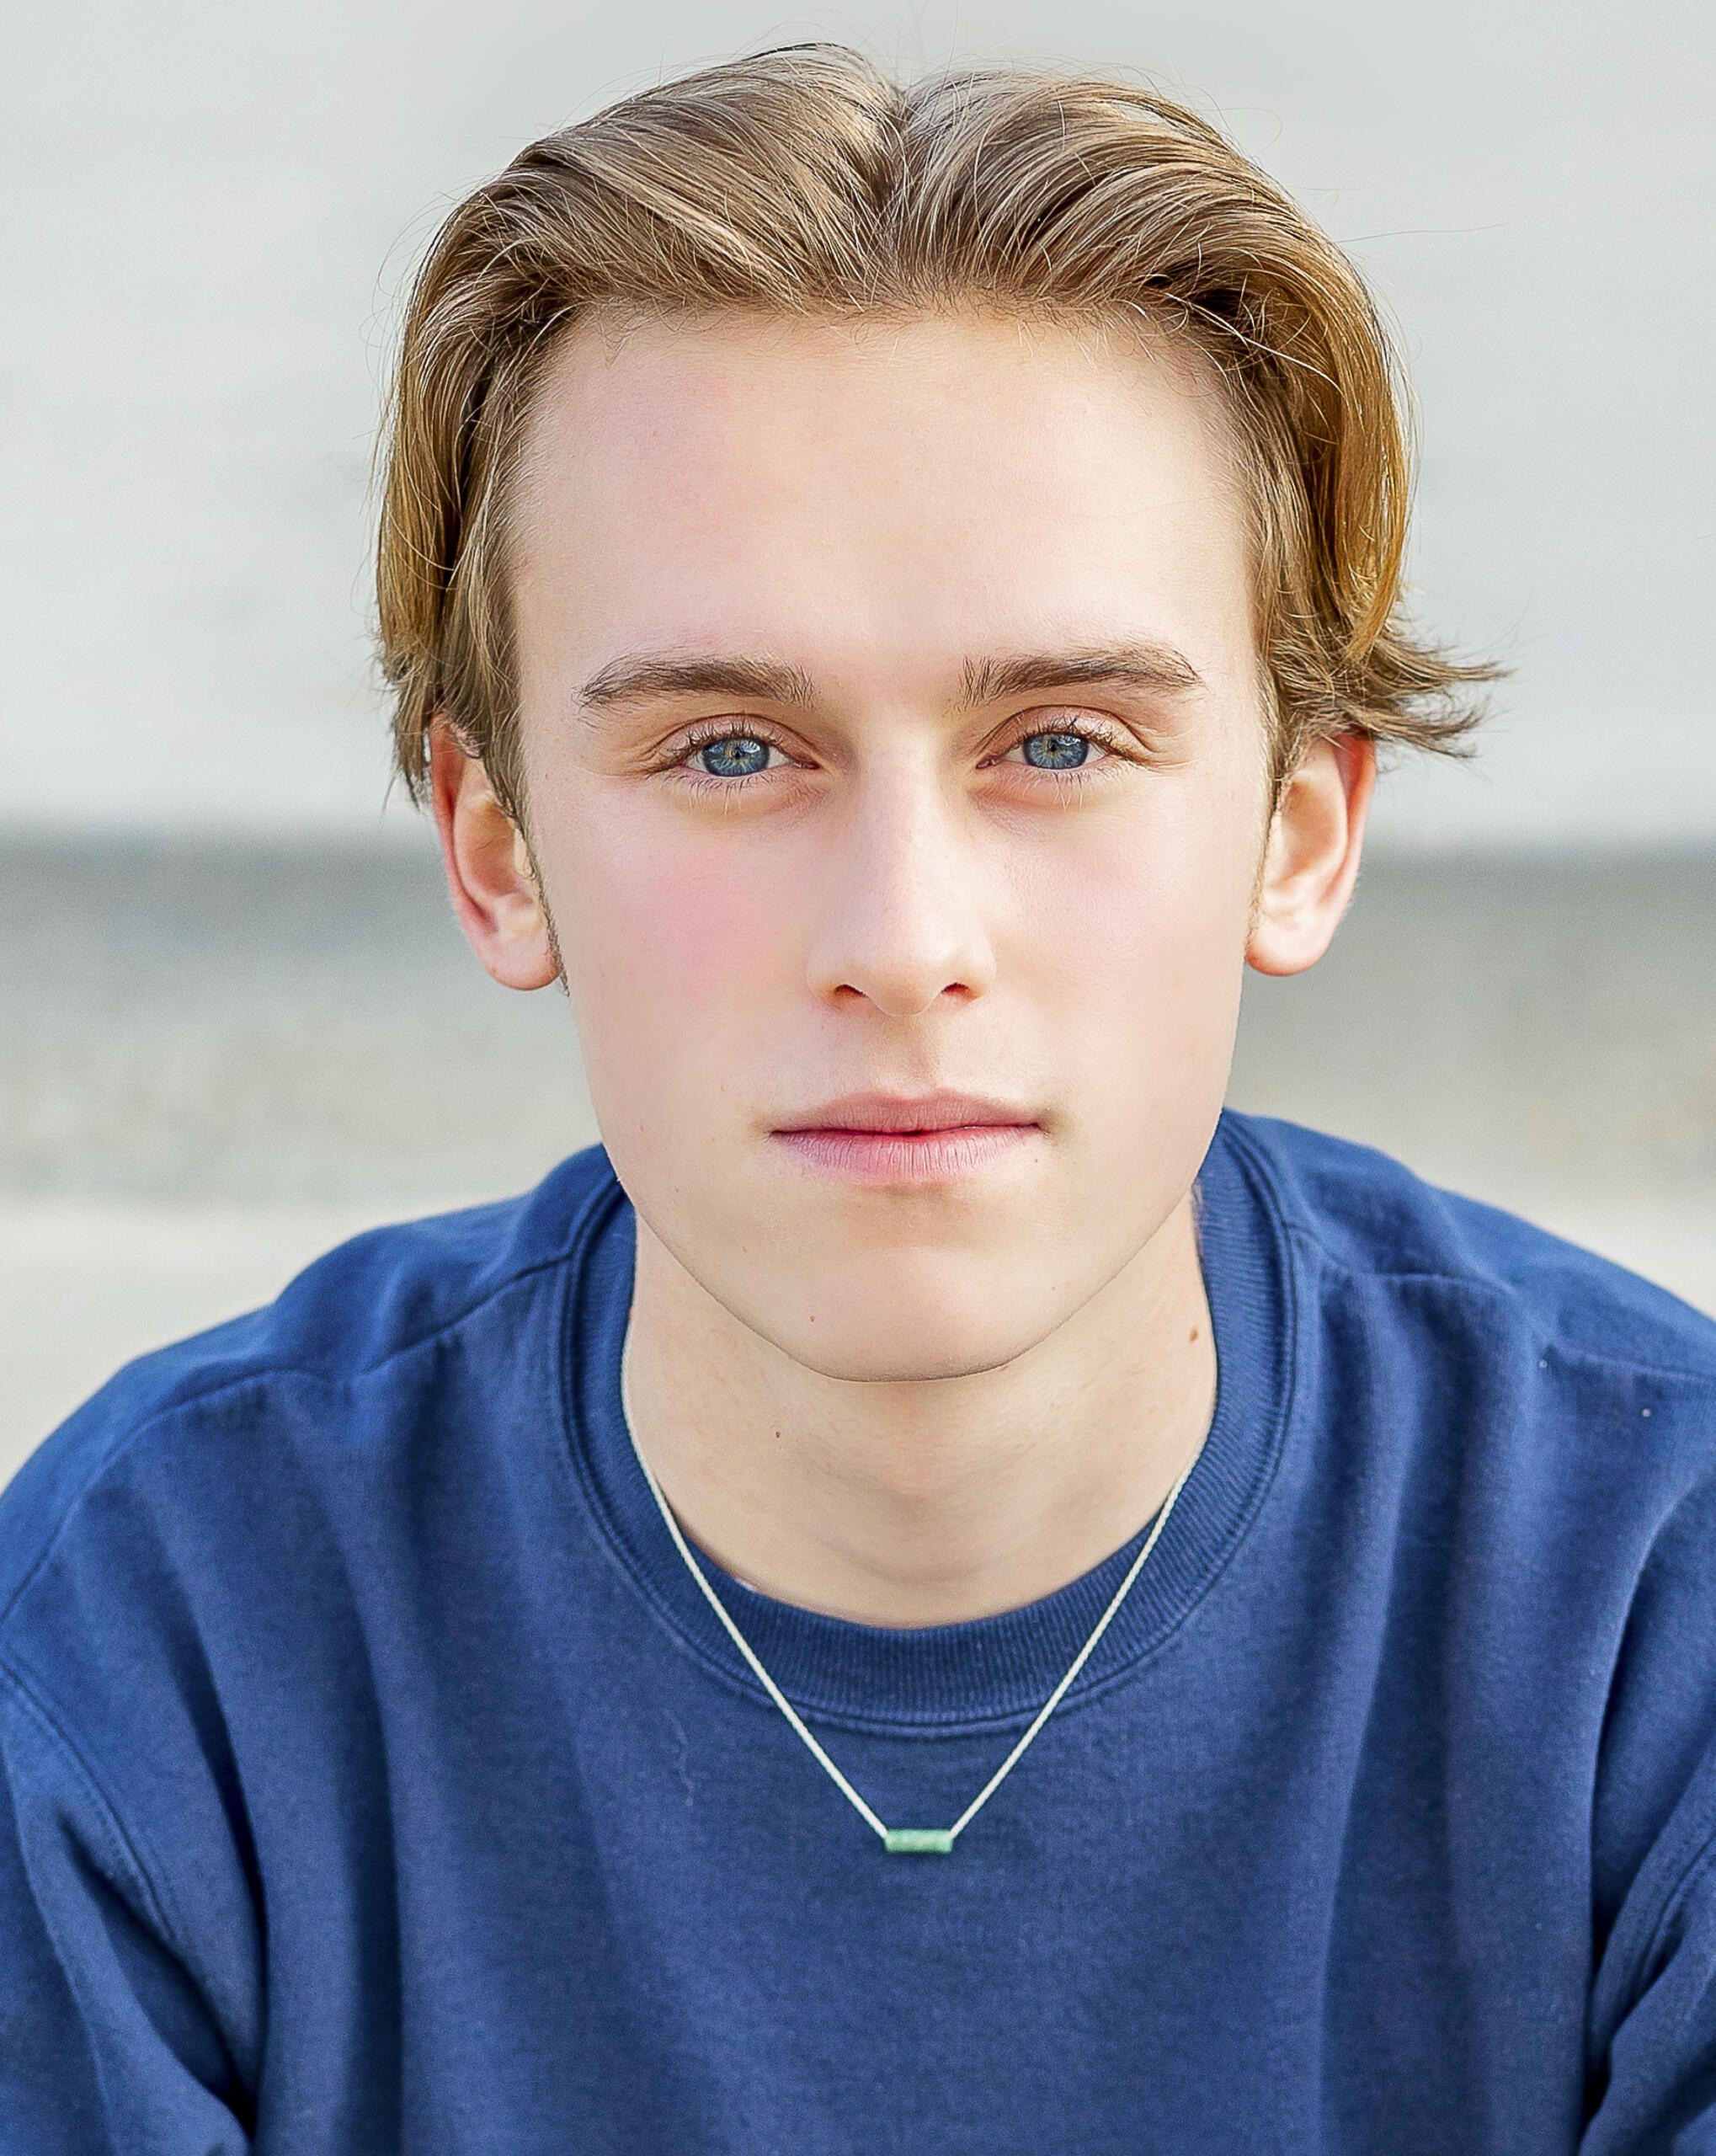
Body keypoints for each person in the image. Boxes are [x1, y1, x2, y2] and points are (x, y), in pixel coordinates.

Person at [3, 45, 1713, 2153]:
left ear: (1295, 834)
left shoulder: (1651, 1605)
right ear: (496, 844)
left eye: (1059, 741)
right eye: (730, 749)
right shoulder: (150, 1639)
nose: (903, 940)